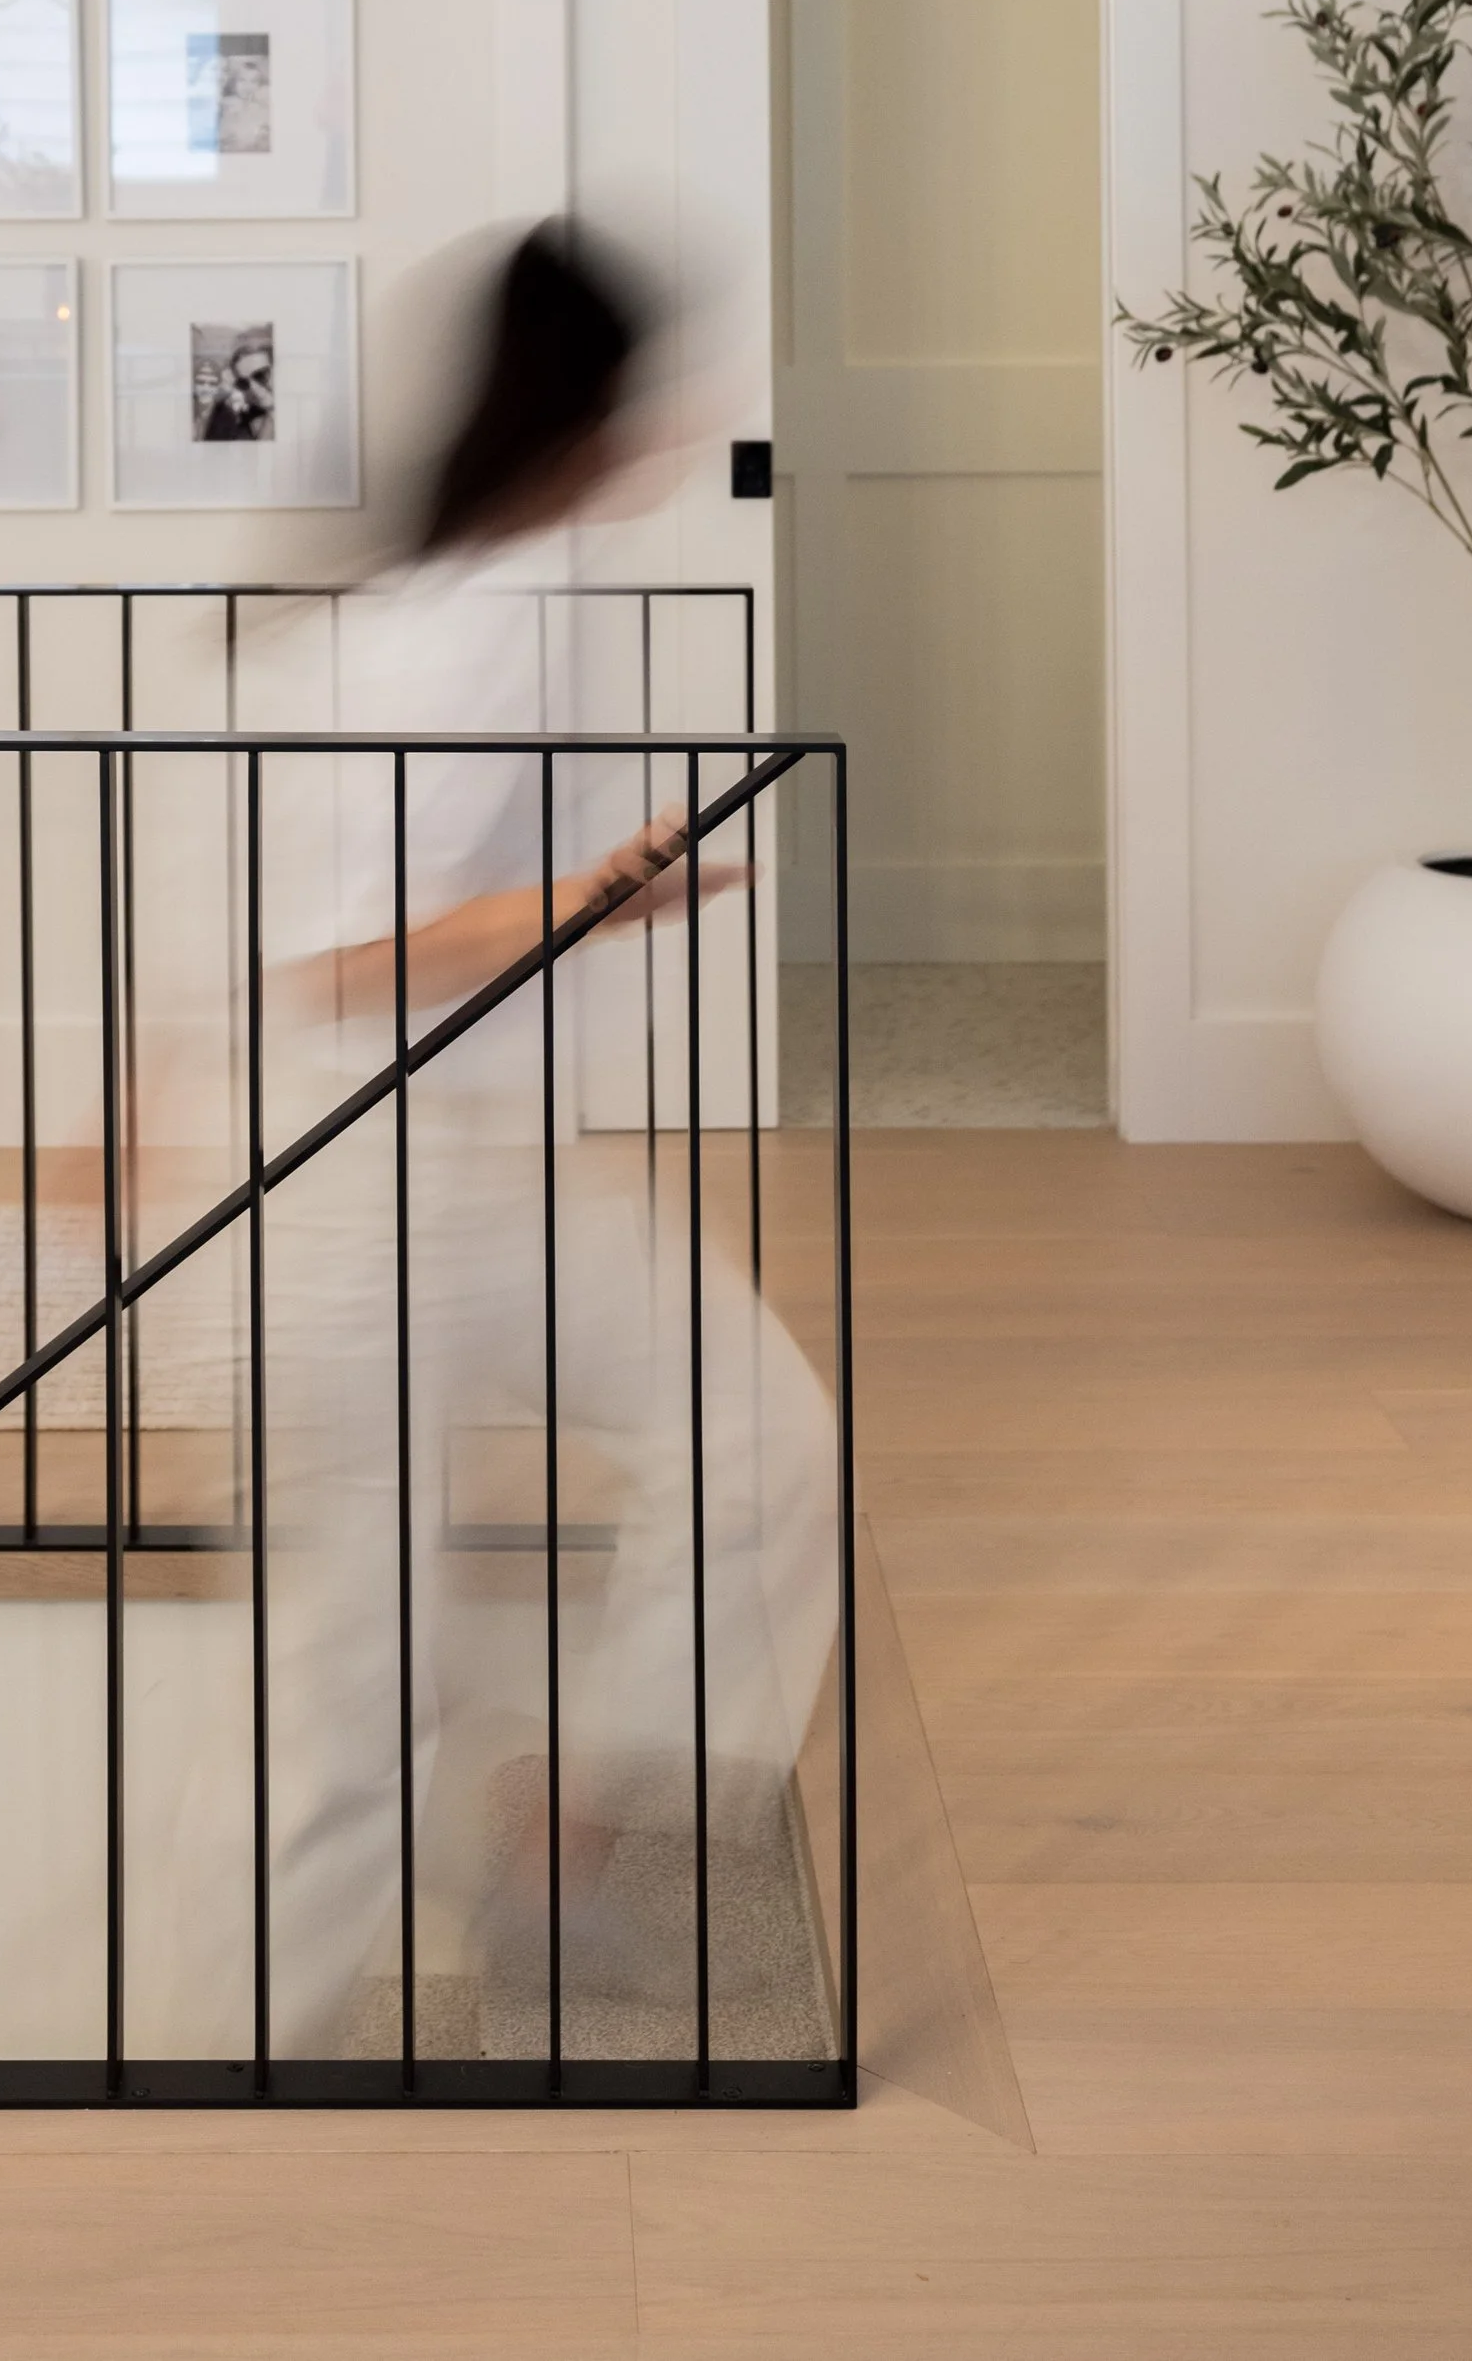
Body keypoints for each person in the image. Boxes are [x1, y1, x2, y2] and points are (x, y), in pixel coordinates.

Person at [222, 224, 841, 2060]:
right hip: (356, 1189)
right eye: (653, 386)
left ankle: (563, 1831)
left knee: (762, 1448)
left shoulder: (523, 575)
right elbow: (325, 965)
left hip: (493, 1162)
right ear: (583, 409)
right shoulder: (465, 616)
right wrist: (595, 896)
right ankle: (234, 2070)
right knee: (351, 1692)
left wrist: (600, 895)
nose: (684, 416)